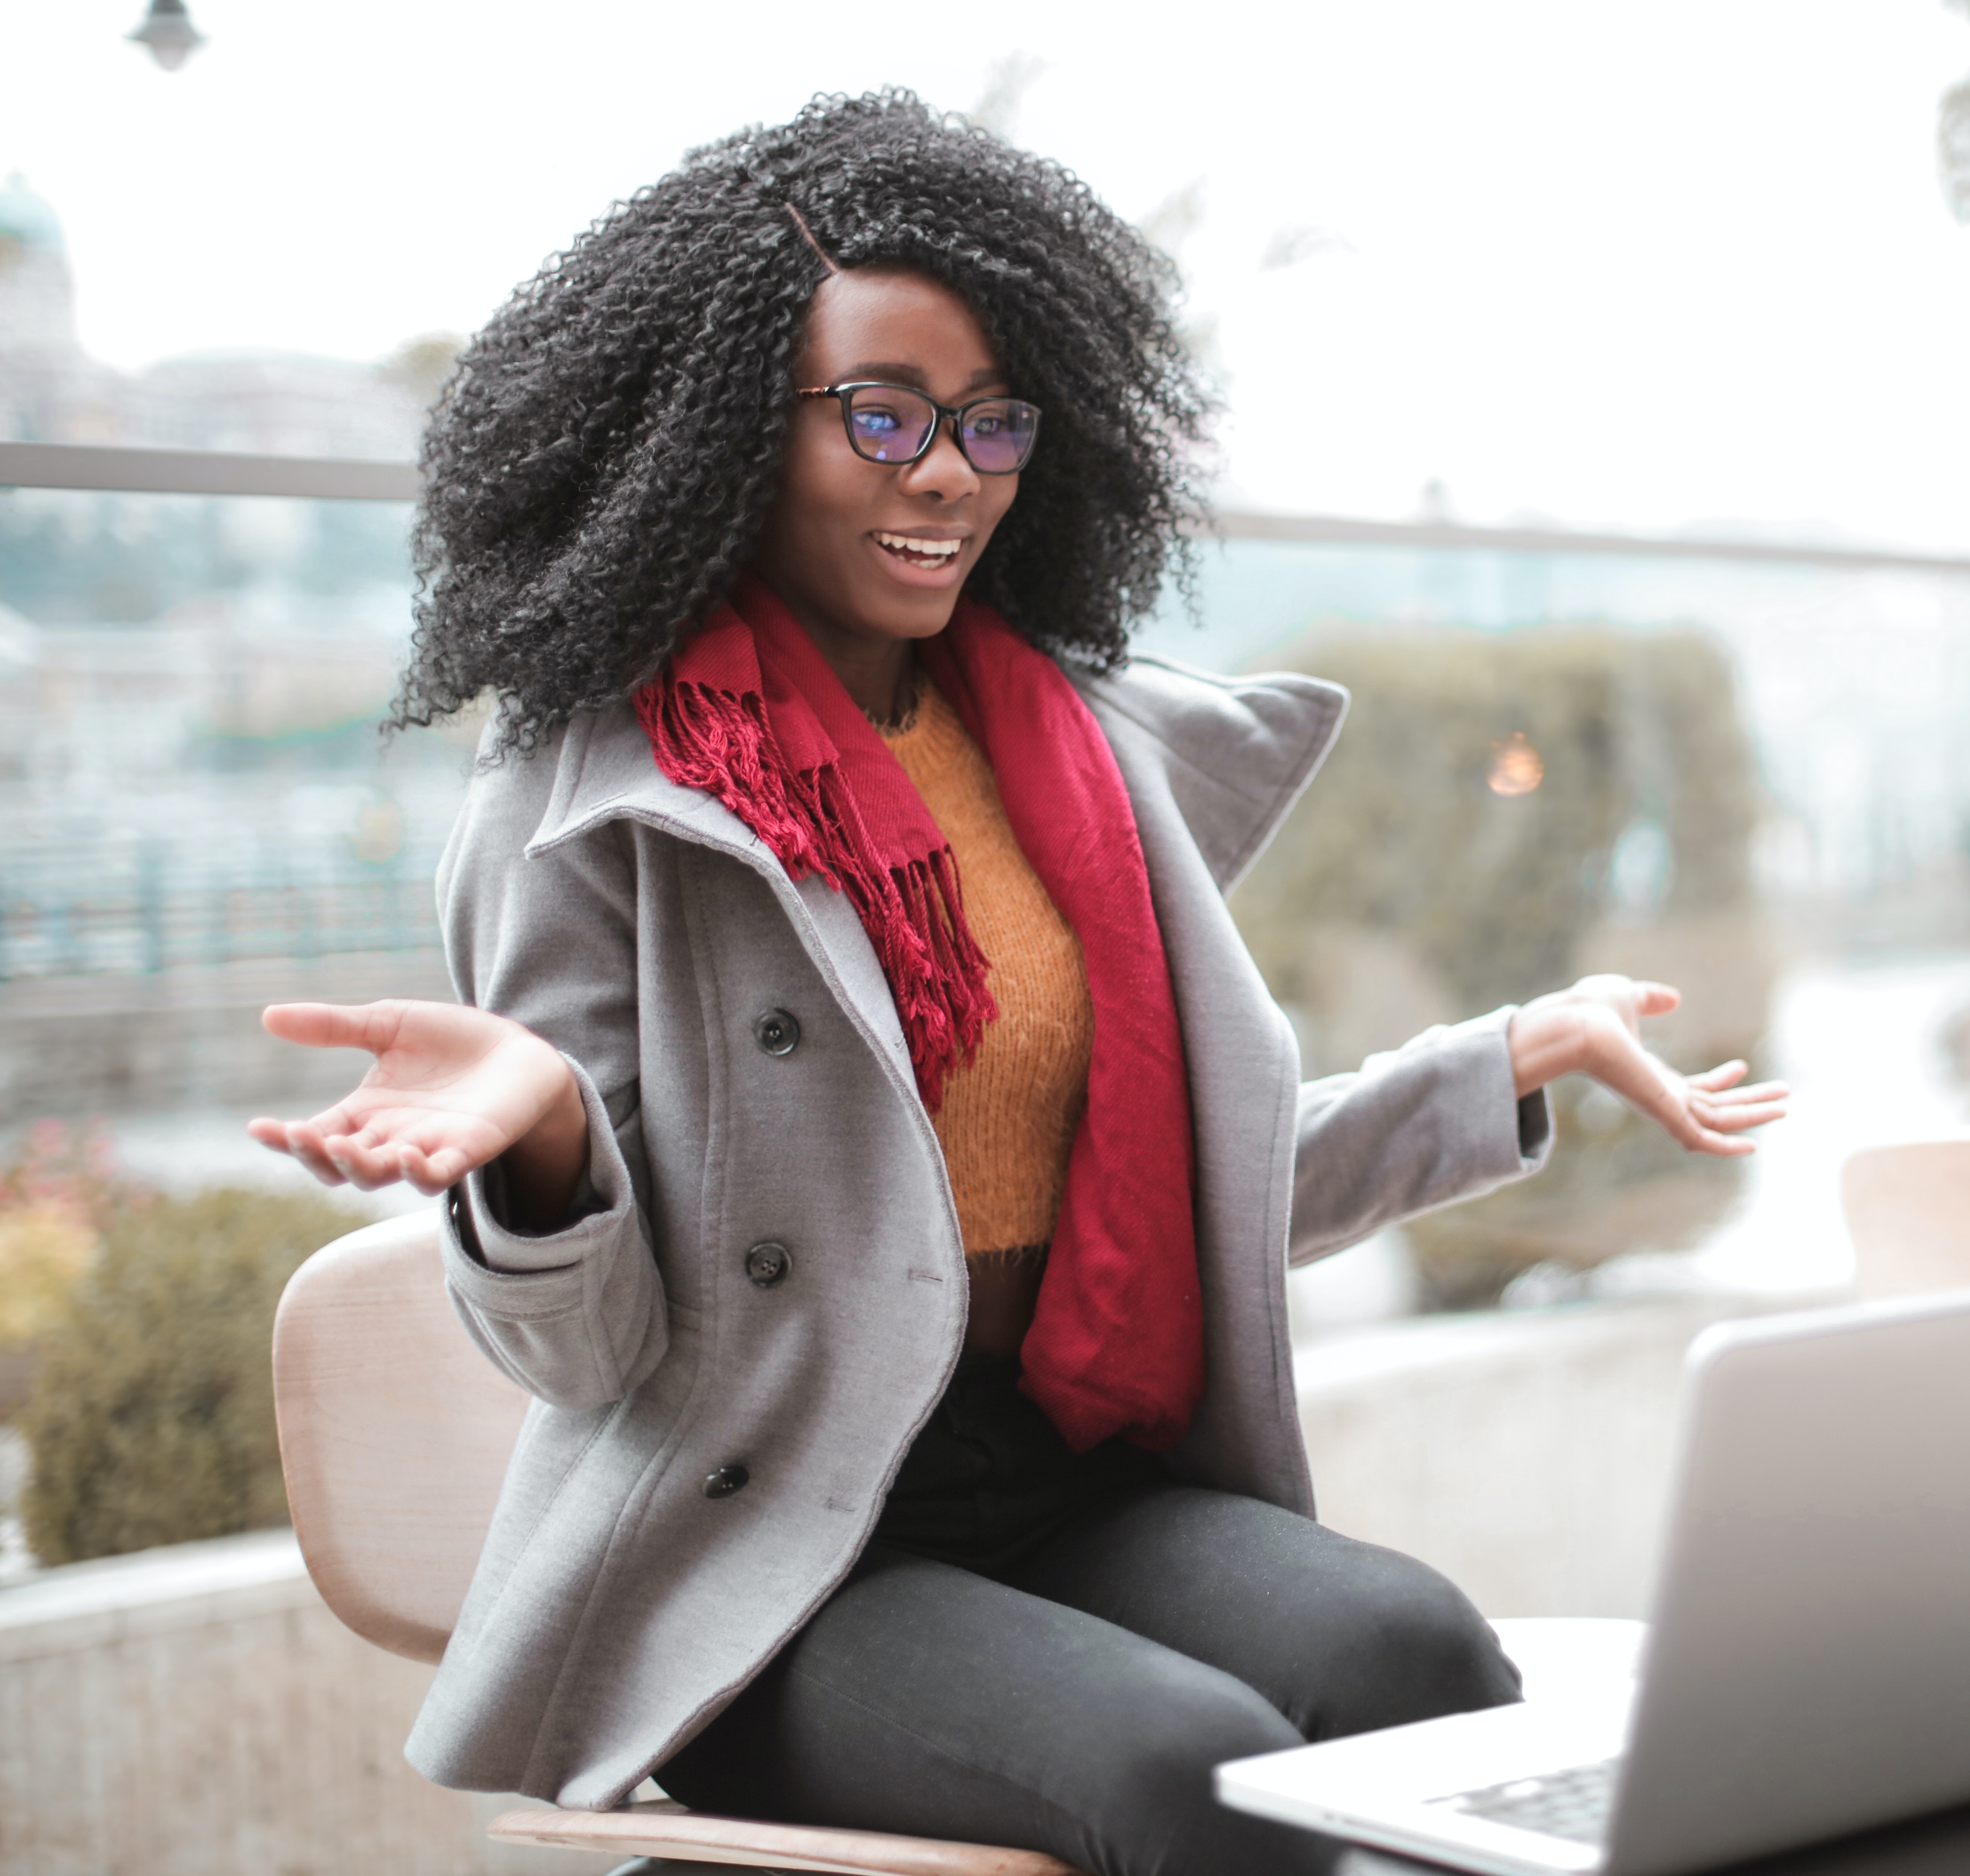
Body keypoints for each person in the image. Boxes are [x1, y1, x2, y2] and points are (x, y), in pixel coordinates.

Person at [245, 94, 1784, 1876]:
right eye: (879, 415)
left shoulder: (1072, 756)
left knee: (1419, 1655)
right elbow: (596, 1353)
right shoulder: (590, 809)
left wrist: (1503, 1059)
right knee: (1195, 1771)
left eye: (989, 421)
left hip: (1060, 1464)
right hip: (784, 1542)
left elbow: (1181, 1198)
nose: (947, 471)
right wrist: (542, 1155)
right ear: (731, 431)